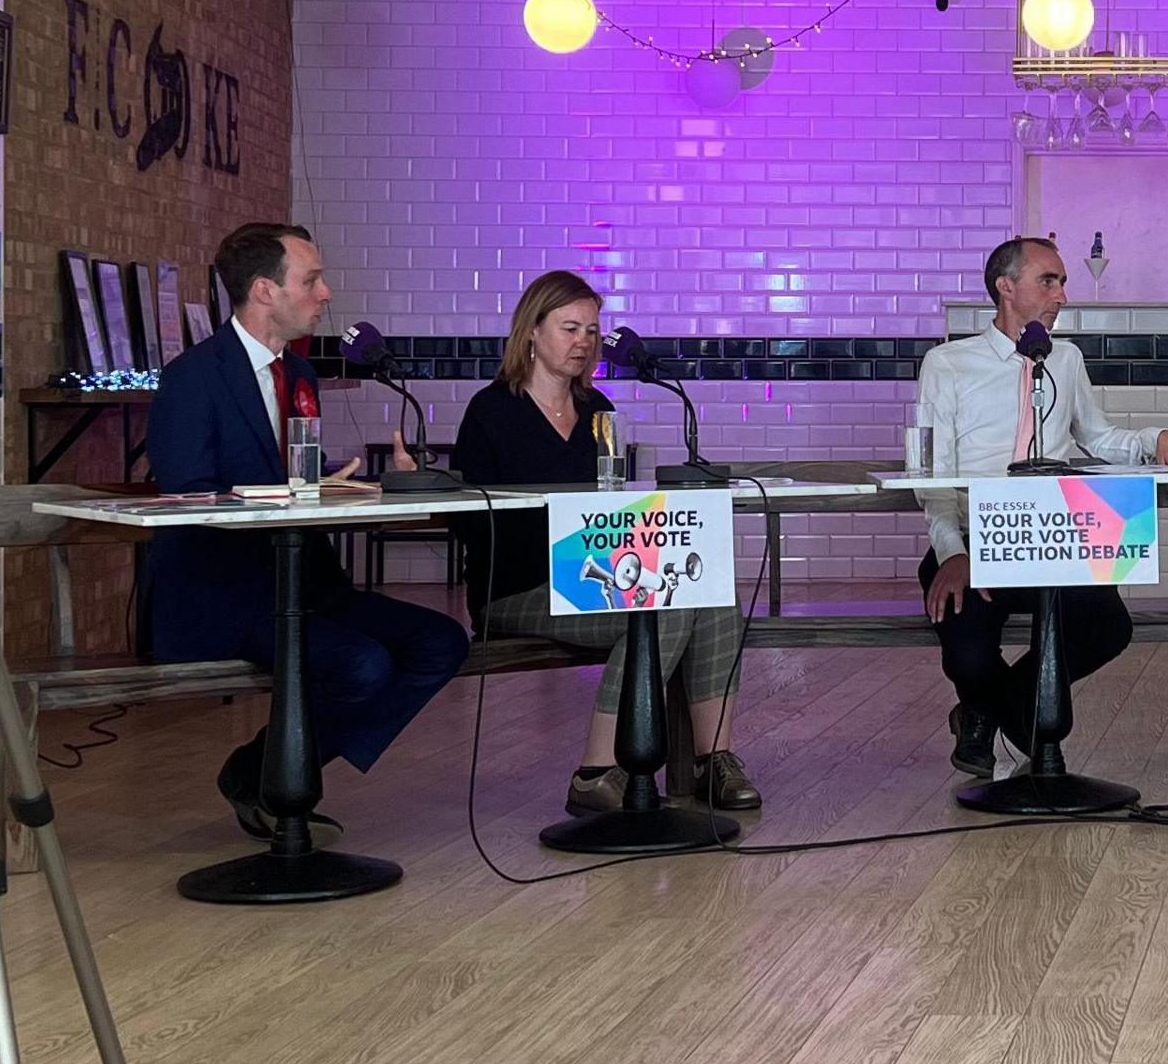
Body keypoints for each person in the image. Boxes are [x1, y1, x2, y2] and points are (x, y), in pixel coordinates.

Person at [147, 223, 470, 841]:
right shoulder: (193, 377)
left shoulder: (299, 374)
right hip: (222, 593)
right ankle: (277, 785)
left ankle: (255, 772)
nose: (326, 293)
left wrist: (372, 483)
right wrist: (295, 489)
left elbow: (296, 471)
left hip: (306, 584)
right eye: (312, 279)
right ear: (265, 290)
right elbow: (188, 493)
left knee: (440, 641)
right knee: (361, 664)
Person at [445, 270, 759, 811]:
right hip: (517, 588)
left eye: (591, 330)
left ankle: (715, 761)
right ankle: (597, 773)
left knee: (710, 590)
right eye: (570, 328)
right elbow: (470, 521)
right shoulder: (491, 411)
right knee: (660, 609)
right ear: (531, 334)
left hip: (592, 576)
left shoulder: (598, 411)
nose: (583, 342)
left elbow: (613, 505)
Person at [915, 236, 1168, 778]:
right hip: (975, 542)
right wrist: (952, 552)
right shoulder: (948, 364)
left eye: (1063, 282)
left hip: (1052, 539)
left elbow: (1097, 435)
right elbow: (934, 474)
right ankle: (1015, 720)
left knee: (1107, 628)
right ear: (1006, 287)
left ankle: (987, 714)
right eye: (1049, 280)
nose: (1061, 293)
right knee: (967, 654)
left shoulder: (1064, 359)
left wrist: (1154, 436)